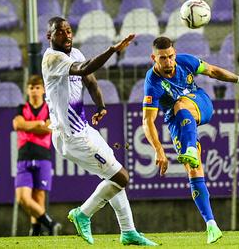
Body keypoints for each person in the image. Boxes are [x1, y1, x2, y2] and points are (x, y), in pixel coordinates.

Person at [41, 16, 157, 246]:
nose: (66, 35)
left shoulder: (74, 53)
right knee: (121, 177)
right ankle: (83, 214)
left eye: (68, 30)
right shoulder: (52, 58)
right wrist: (112, 50)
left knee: (112, 175)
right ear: (49, 37)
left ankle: (128, 232)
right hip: (71, 136)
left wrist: (101, 106)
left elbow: (90, 80)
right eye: (60, 32)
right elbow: (85, 68)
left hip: (83, 129)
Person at [142, 36, 239, 244]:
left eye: (171, 56)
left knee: (179, 104)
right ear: (154, 58)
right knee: (194, 171)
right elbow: (147, 121)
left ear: (175, 54)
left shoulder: (185, 62)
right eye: (163, 58)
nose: (168, 62)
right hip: (176, 121)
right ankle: (211, 225)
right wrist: (159, 150)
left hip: (200, 103)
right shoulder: (152, 83)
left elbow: (213, 71)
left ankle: (189, 148)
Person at [13, 75, 61, 236]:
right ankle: (51, 223)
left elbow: (49, 128)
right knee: (23, 198)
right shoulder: (21, 107)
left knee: (39, 196)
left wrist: (28, 126)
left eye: (37, 87)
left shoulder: (48, 108)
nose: (34, 91)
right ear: (27, 90)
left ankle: (35, 231)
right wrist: (39, 124)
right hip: (24, 156)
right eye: (31, 88)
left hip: (43, 156)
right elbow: (17, 124)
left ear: (43, 89)